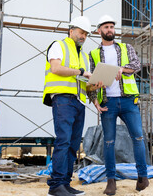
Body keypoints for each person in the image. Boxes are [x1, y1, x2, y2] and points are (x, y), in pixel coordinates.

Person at [88, 15, 149, 195]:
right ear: (99, 31)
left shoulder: (125, 48)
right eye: (106, 27)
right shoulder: (93, 54)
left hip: (128, 101)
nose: (110, 30)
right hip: (108, 102)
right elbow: (90, 81)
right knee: (108, 142)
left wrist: (122, 69)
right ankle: (111, 181)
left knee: (138, 138)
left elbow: (136, 65)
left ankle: (142, 178)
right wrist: (94, 101)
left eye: (112, 27)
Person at [43, 16, 102, 196]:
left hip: (78, 102)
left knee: (73, 145)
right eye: (81, 32)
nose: (83, 36)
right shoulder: (58, 45)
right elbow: (56, 68)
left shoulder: (83, 55)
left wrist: (96, 85)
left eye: (86, 34)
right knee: (63, 141)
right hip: (62, 99)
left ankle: (65, 184)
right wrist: (82, 72)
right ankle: (56, 186)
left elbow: (84, 83)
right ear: (71, 30)